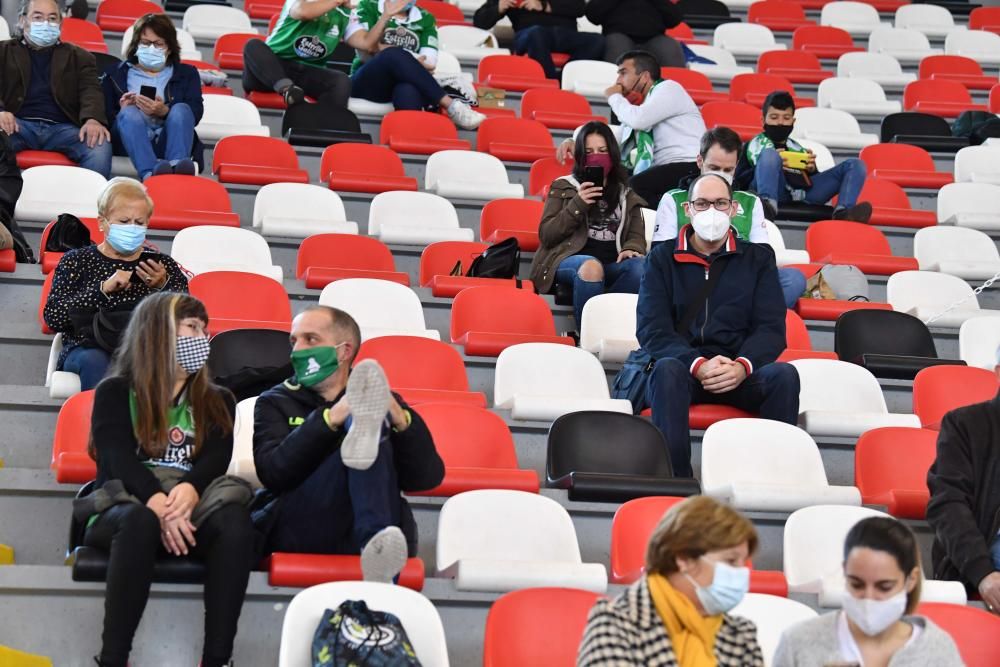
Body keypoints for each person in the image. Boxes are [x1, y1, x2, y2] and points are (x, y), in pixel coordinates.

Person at [83, 292, 255, 667]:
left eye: (204, 329)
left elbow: (216, 458)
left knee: (235, 520)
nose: (202, 337)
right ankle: (113, 659)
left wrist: (189, 491)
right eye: (192, 327)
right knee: (141, 520)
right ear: (159, 331)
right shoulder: (114, 391)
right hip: (126, 505)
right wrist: (157, 501)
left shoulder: (218, 398)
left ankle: (217, 659)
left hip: (189, 508)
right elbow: (116, 458)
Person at [252, 306, 445, 583]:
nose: (298, 350)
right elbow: (273, 472)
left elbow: (427, 478)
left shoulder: (382, 397)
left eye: (311, 339)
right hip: (303, 525)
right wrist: (332, 418)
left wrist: (399, 417)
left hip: (355, 524)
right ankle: (375, 541)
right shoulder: (274, 400)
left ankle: (376, 544)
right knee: (362, 423)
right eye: (294, 341)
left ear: (344, 351)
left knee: (369, 418)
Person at [636, 173, 799, 478]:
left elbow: (771, 329)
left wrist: (742, 366)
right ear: (689, 209)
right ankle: (675, 478)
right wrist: (697, 364)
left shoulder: (758, 260)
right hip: (685, 371)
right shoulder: (661, 258)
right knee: (666, 370)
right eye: (702, 203)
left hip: (737, 371)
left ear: (733, 208)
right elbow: (652, 329)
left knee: (784, 376)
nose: (711, 210)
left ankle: (774, 477)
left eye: (720, 203)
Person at [578, 495, 764, 666]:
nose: (742, 572)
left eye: (743, 562)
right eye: (731, 561)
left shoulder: (740, 634)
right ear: (683, 558)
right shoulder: (615, 624)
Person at [43, 177, 188, 390]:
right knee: (96, 361)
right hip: (88, 348)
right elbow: (54, 317)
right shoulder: (77, 260)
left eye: (139, 223)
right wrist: (103, 289)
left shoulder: (161, 265)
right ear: (102, 223)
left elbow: (187, 319)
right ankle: (105, 421)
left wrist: (163, 287)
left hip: (144, 347)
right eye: (124, 221)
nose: (132, 228)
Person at [773, 517, 964, 666]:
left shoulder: (937, 650)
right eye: (856, 584)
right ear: (845, 571)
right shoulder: (798, 642)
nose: (868, 597)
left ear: (911, 580)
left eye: (884, 587)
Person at [653, 127, 807, 309]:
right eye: (714, 167)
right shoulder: (674, 198)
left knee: (793, 279)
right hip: (687, 279)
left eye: (728, 169)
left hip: (739, 281)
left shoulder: (750, 202)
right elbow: (660, 255)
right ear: (699, 161)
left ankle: (734, 318)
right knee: (648, 273)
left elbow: (764, 256)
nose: (720, 174)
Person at [530, 121, 646, 325]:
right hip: (567, 260)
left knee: (641, 267)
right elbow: (547, 235)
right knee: (591, 267)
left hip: (612, 264)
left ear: (612, 153)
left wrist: (631, 248)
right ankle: (588, 332)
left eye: (602, 150)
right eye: (590, 151)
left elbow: (636, 236)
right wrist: (578, 204)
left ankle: (608, 324)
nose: (597, 156)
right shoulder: (564, 186)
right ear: (582, 156)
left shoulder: (625, 193)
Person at [556, 51, 705, 209]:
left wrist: (614, 97)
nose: (618, 80)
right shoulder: (646, 106)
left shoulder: (669, 88)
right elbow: (616, 135)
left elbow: (638, 120)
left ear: (645, 77)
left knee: (635, 188)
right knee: (613, 183)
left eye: (623, 73)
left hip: (689, 165)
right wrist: (576, 140)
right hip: (666, 169)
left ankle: (663, 224)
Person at [0, 0, 111, 177]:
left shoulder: (80, 57)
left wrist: (92, 119)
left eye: (52, 18)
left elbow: (90, 90)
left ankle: (88, 204)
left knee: (99, 145)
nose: (46, 24)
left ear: (60, 23)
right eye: (38, 17)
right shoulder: (3, 51)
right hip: (17, 125)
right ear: (22, 21)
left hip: (62, 129)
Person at [926, 347, 1000, 613]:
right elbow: (948, 504)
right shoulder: (965, 424)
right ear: (999, 374)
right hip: (983, 558)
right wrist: (982, 573)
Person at [735, 91, 872, 223]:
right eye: (774, 117)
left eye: (786, 118)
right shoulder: (752, 146)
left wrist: (811, 169)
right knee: (770, 155)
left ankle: (844, 213)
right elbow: (740, 181)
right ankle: (767, 207)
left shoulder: (797, 147)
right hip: (770, 191)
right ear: (763, 120)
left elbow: (809, 182)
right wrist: (773, 165)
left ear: (793, 121)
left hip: (801, 194)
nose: (780, 123)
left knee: (856, 164)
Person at [344, 0, 485, 128]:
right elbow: (368, 47)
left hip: (401, 84)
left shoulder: (426, 18)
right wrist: (385, 17)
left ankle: (405, 146)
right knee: (393, 55)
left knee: (407, 90)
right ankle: (452, 106)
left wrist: (396, 56)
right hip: (367, 82)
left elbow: (430, 63)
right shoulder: (368, 6)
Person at [100, 13, 203, 180]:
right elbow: (103, 118)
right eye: (145, 43)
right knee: (129, 113)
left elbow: (195, 113)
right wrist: (121, 113)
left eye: (158, 44)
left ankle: (177, 164)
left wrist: (164, 111)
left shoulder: (187, 74)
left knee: (181, 109)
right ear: (136, 45)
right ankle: (150, 173)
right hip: (129, 141)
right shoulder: (114, 73)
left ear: (169, 47)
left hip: (168, 139)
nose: (151, 49)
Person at [242, 0, 353, 108]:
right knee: (253, 45)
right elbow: (302, 12)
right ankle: (288, 90)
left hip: (308, 72)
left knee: (341, 81)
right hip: (272, 69)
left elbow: (363, 42)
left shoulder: (349, 11)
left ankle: (324, 125)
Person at [473, 0, 603, 80]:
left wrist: (544, 5)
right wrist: (498, 8)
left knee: (598, 41)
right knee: (536, 33)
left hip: (564, 34)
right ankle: (549, 81)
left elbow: (579, 7)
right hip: (529, 33)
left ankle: (563, 78)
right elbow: (479, 21)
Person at [584, 0, 684, 68]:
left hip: (654, 37)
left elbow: (674, 19)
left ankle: (673, 94)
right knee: (617, 51)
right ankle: (616, 95)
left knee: (670, 48)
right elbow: (593, 14)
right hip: (618, 34)